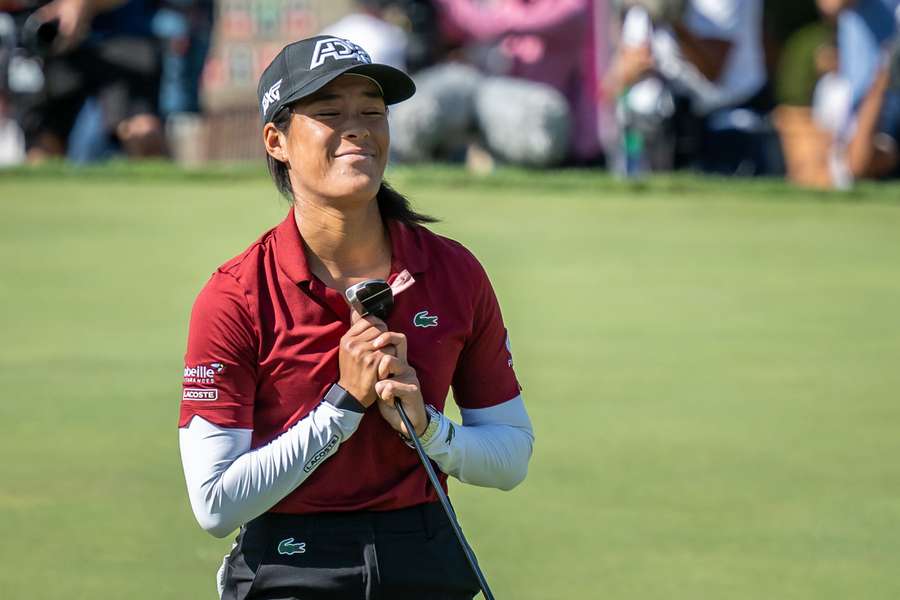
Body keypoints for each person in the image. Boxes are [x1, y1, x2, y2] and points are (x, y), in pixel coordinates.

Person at [178, 35, 535, 600]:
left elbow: (510, 455)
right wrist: (340, 408)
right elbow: (215, 503)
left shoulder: (454, 272)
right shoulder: (237, 295)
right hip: (289, 563)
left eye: (372, 112)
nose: (359, 129)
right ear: (276, 140)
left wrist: (429, 432)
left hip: (425, 547)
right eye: (329, 113)